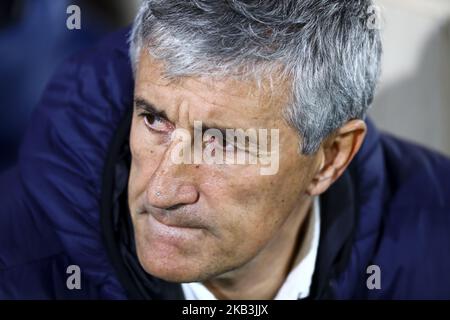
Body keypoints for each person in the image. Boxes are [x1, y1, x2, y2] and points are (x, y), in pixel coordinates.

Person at [1, 0, 450, 300]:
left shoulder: (436, 238)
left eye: (224, 142)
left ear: (330, 158)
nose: (161, 192)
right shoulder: (21, 262)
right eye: (154, 119)